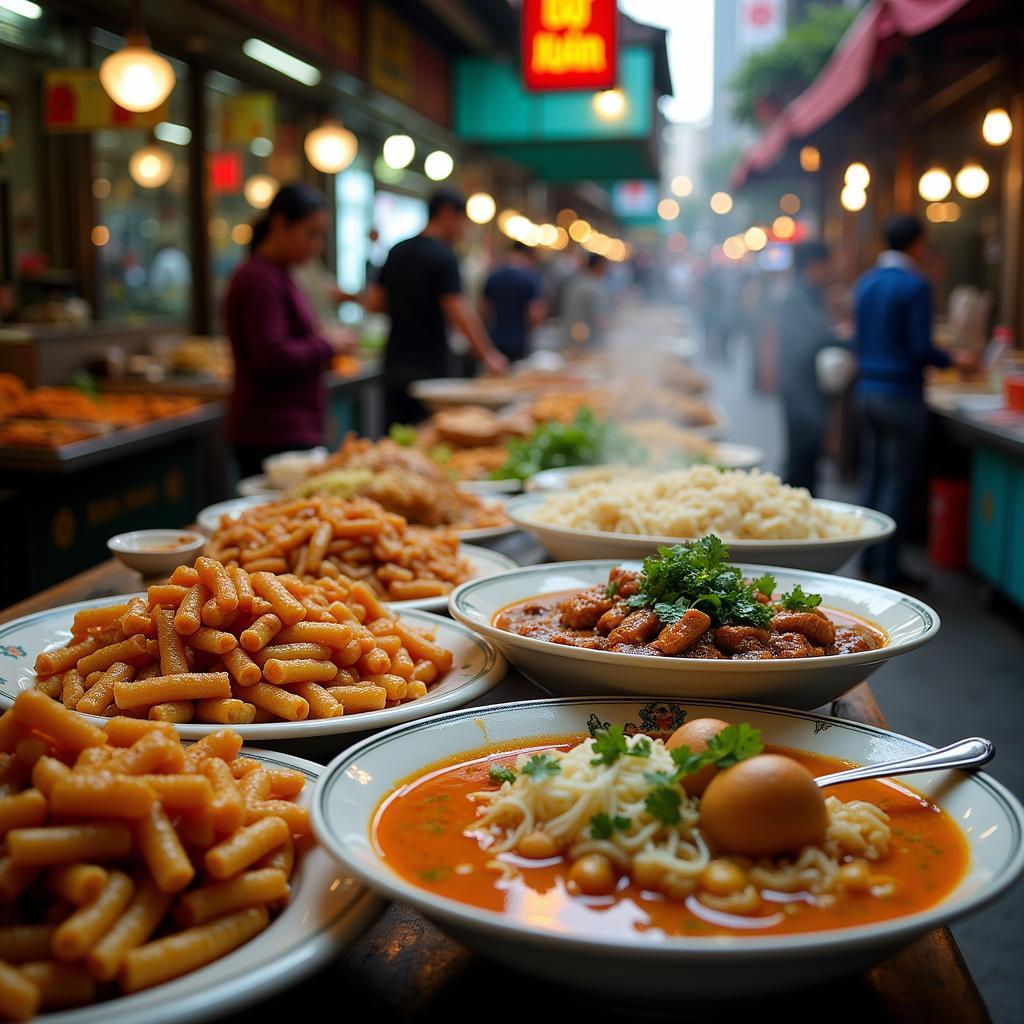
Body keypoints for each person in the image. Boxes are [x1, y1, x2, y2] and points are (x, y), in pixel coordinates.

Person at [854, 215, 976, 585]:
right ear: (918, 244)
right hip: (901, 396)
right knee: (898, 484)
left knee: (872, 481)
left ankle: (868, 562)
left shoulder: (865, 282)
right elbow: (920, 347)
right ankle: (889, 570)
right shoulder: (915, 285)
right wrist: (956, 358)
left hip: (867, 392)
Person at [223, 183, 352, 479]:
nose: (316, 245)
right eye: (310, 233)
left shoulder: (276, 273)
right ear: (280, 224)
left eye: (321, 236)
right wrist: (326, 344)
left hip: (282, 427)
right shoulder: (261, 279)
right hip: (273, 432)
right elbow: (273, 355)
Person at [364, 189, 507, 425]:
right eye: (462, 221)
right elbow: (458, 311)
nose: (464, 230)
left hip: (393, 366)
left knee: (397, 440)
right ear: (446, 214)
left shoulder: (397, 250)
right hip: (431, 371)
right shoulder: (444, 256)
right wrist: (488, 355)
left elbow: (374, 304)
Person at [777, 241, 843, 494]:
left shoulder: (804, 293)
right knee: (802, 460)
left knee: (806, 458)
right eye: (827, 266)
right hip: (800, 388)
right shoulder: (797, 296)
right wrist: (844, 338)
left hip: (803, 387)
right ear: (812, 266)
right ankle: (794, 514)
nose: (830, 273)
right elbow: (814, 337)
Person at [479, 242, 547, 363]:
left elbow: (484, 311)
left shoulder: (493, 276)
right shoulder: (529, 278)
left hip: (496, 338)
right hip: (519, 339)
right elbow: (536, 313)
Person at [562, 253, 610, 347]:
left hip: (570, 336)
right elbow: (601, 320)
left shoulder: (575, 283)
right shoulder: (596, 287)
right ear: (600, 266)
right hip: (590, 342)